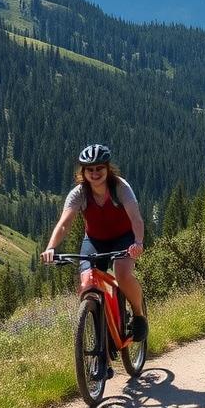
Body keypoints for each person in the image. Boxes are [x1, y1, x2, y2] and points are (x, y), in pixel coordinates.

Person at [41, 144, 148, 362]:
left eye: (100, 168)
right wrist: (51, 247)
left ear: (108, 169)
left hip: (124, 237)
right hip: (95, 241)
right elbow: (64, 224)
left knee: (123, 274)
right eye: (90, 169)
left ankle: (138, 315)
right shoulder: (79, 194)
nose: (95, 173)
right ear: (83, 172)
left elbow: (136, 218)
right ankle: (103, 342)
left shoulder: (120, 188)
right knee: (87, 284)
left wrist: (137, 242)